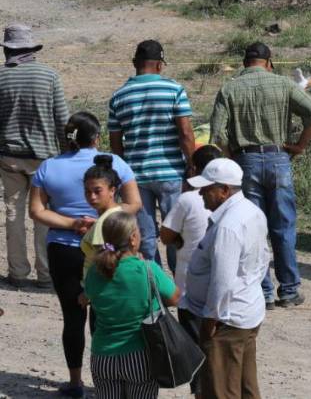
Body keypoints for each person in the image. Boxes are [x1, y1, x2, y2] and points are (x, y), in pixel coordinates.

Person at [28, 112, 140, 398]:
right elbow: (133, 203)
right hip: (108, 247)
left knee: (72, 317)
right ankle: (104, 380)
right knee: (103, 317)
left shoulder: (48, 166)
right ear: (96, 138)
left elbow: (37, 211)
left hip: (64, 248)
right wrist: (102, 222)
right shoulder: (114, 163)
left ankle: (75, 382)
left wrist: (73, 223)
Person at [210, 42, 311, 308]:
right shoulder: (283, 85)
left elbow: (217, 133)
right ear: (269, 62)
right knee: (283, 227)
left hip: (245, 161)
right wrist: (299, 147)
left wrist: (232, 158)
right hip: (278, 158)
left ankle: (263, 292)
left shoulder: (229, 88)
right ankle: (290, 289)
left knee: (252, 230)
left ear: (244, 63)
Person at [184, 158, 270, 399]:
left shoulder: (228, 226)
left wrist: (211, 319)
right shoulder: (252, 212)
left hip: (227, 320)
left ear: (224, 191)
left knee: (219, 390)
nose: (200, 194)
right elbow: (264, 259)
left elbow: (222, 279)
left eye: (206, 189)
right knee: (245, 387)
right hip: (246, 312)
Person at [108, 39, 196, 270]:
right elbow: (185, 132)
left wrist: (124, 175)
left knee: (145, 238)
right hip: (171, 172)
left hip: (136, 178)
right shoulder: (174, 89)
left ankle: (153, 287)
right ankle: (180, 286)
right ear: (159, 65)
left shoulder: (119, 96)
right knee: (177, 232)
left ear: (134, 63)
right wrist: (192, 164)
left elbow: (116, 145)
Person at [0, 24, 69, 288]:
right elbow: (62, 120)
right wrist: (66, 154)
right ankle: (46, 274)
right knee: (42, 215)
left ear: (8, 49)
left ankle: (17, 273)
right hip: (44, 159)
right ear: (32, 49)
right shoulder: (49, 76)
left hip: (9, 157)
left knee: (13, 214)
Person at [84, 211, 180, 399]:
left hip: (103, 356)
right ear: (133, 238)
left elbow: (89, 296)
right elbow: (174, 298)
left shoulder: (95, 271)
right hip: (140, 356)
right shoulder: (147, 269)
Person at [160, 144, 221, 399]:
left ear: (194, 168)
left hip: (189, 284)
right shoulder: (232, 199)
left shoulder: (187, 199)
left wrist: (178, 241)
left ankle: (200, 391)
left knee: (195, 344)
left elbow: (165, 235)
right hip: (219, 284)